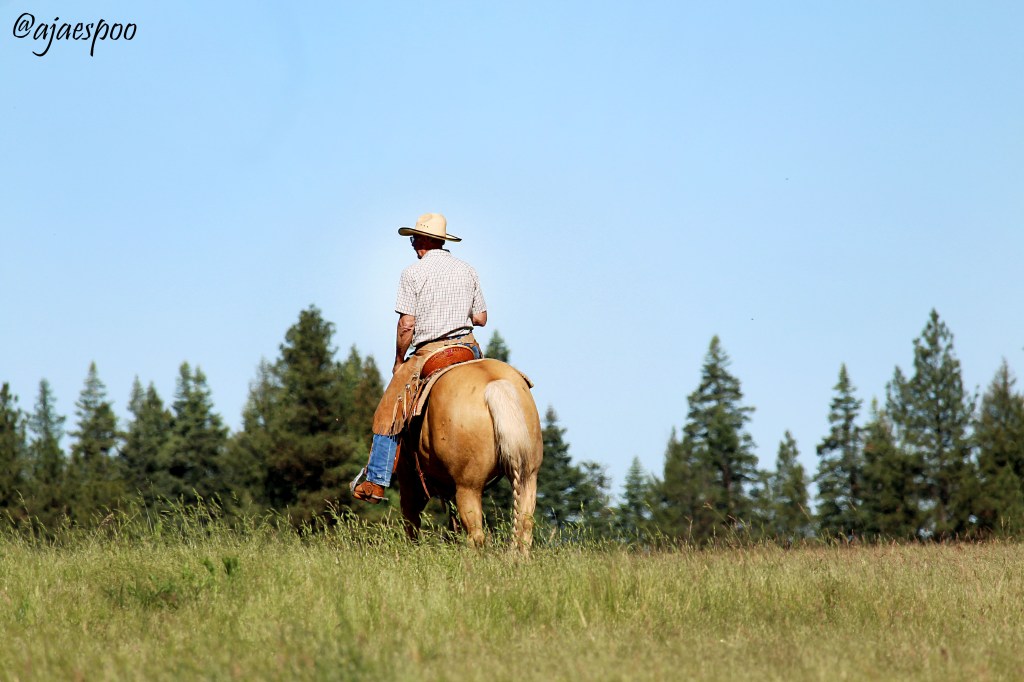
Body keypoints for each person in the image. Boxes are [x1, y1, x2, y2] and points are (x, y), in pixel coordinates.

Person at [351, 212, 487, 503]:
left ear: (424, 240)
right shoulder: (468, 270)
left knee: (388, 410)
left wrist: (399, 360)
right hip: (468, 348)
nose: (412, 244)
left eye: (413, 238)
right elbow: (481, 317)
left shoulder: (412, 273)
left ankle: (375, 481)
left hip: (431, 352)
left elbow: (407, 325)